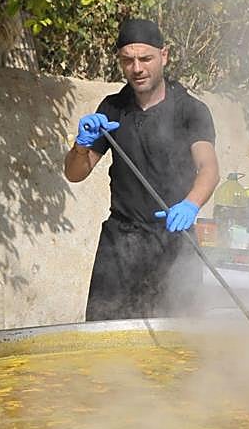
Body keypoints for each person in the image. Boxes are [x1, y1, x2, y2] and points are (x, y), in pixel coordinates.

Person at [63, 18, 220, 321]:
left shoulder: (190, 110)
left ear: (164, 55)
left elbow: (208, 168)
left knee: (179, 345)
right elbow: (75, 173)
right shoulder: (112, 108)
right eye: (128, 60)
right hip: (120, 245)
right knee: (105, 340)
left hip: (174, 242)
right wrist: (81, 145)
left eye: (145, 58)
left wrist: (190, 204)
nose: (137, 68)